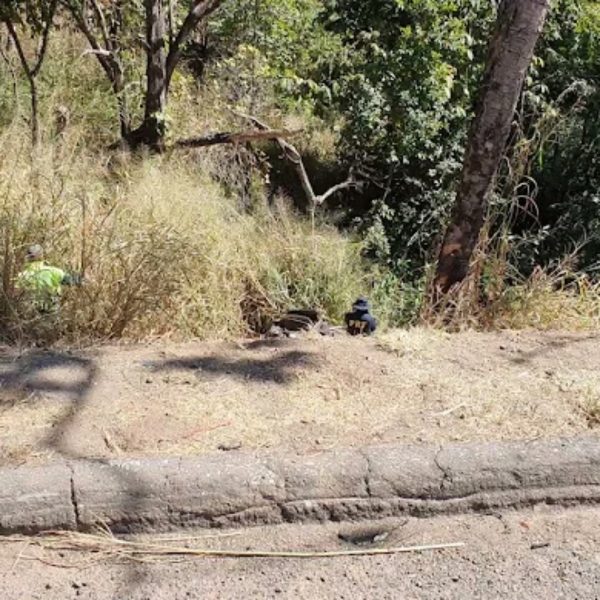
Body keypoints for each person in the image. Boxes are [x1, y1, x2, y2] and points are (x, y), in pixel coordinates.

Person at [15, 244, 79, 313]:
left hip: (28, 315)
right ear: (42, 256)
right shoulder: (52, 271)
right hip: (51, 314)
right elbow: (72, 280)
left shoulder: (21, 276)